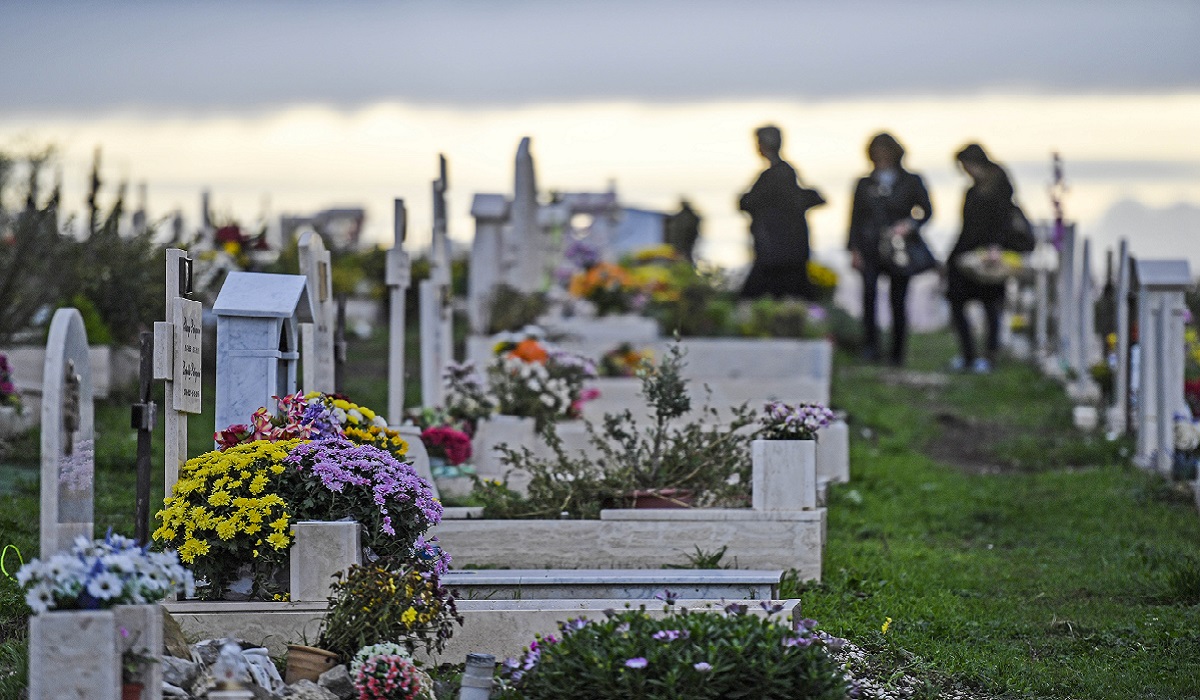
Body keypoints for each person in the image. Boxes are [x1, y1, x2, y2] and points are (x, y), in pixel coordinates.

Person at [846, 132, 933, 365]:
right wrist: (854, 249)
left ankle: (897, 352)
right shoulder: (864, 183)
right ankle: (871, 347)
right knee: (869, 297)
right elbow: (854, 218)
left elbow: (927, 211)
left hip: (899, 248)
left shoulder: (911, 181)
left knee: (898, 300)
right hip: (870, 245)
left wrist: (909, 225)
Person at [946, 143, 1017, 373]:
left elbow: (1004, 223)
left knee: (991, 307)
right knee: (957, 303)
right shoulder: (971, 192)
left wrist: (996, 247)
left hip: (990, 257)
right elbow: (965, 227)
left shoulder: (1001, 190)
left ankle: (989, 356)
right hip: (967, 254)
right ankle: (967, 354)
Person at [738, 125, 825, 299]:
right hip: (784, 252)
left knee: (760, 297)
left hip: (777, 254)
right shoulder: (781, 173)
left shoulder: (776, 175)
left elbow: (748, 202)